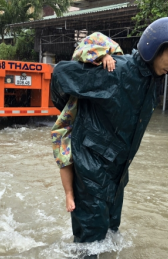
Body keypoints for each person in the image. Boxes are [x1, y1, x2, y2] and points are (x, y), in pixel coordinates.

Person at [50, 17, 168, 243]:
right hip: (91, 169)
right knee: (90, 243)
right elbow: (60, 73)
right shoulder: (116, 70)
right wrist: (75, 112)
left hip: (117, 173)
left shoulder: (152, 82)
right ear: (154, 48)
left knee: (111, 234)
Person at [51, 32, 123, 213]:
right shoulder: (79, 71)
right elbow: (81, 53)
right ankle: (68, 193)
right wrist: (102, 56)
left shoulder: (115, 76)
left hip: (100, 127)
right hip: (74, 116)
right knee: (63, 148)